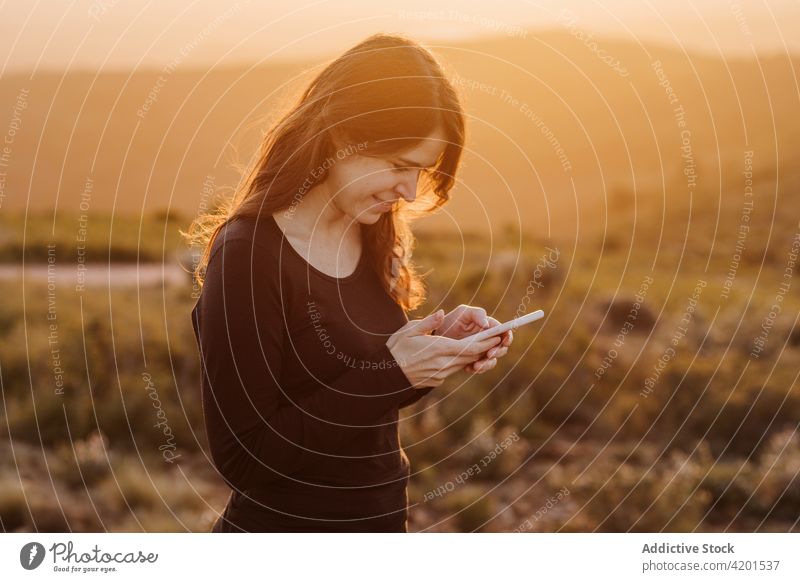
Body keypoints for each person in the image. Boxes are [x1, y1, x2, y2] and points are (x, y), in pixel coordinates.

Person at [185, 33, 514, 532]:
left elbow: (362, 397)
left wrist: (435, 352)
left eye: (421, 171)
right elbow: (246, 459)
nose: (409, 190)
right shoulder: (249, 256)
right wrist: (393, 372)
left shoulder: (372, 231)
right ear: (340, 136)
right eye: (399, 165)